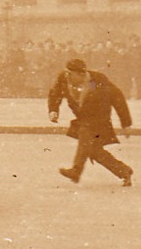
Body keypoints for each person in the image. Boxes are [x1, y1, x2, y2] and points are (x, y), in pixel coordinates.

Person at [47, 57, 134, 186]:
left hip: (100, 118)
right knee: (94, 151)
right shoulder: (64, 78)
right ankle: (124, 171)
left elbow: (117, 97)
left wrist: (126, 123)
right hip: (83, 118)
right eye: (67, 73)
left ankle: (76, 171)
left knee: (85, 134)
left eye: (71, 74)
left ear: (81, 74)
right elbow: (55, 93)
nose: (67, 76)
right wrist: (53, 110)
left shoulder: (98, 80)